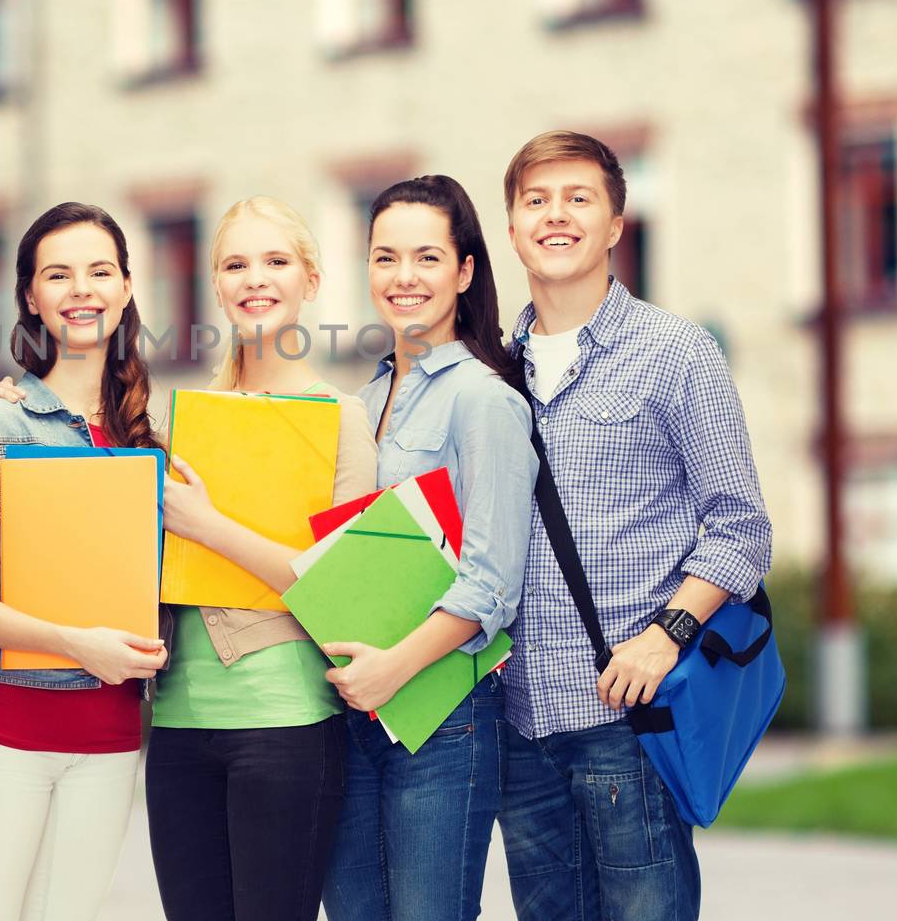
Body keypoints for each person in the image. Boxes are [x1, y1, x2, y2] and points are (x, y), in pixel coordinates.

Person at [495, 131, 773, 921]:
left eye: (579, 198)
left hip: (629, 720)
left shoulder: (678, 353)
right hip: (520, 724)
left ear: (616, 223)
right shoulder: (489, 370)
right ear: (512, 226)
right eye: (536, 200)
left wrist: (666, 633)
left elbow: (740, 528)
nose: (557, 216)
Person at [0, 202, 168, 921]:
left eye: (99, 271)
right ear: (30, 295)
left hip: (113, 740)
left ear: (124, 287)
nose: (81, 289)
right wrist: (70, 642)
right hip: (3, 734)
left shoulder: (158, 440)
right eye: (58, 274)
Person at [321, 175, 538, 921]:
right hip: (353, 711)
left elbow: (491, 584)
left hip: (444, 715)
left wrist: (394, 669)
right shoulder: (359, 404)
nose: (403, 277)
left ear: (465, 270)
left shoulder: (484, 400)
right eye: (385, 258)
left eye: (426, 257)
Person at [153, 196, 377, 921]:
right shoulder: (178, 419)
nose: (256, 278)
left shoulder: (342, 418)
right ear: (215, 285)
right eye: (236, 263)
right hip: (178, 723)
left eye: (277, 261)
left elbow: (340, 587)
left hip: (285, 722)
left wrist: (209, 524)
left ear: (311, 280)